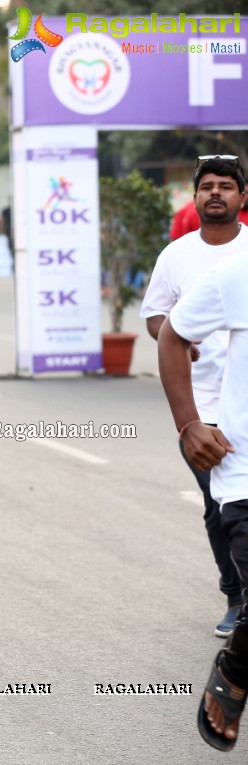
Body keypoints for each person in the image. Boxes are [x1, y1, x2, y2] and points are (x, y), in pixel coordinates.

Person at [144, 156, 248, 638]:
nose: (216, 193)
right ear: (195, 197)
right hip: (203, 405)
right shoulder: (176, 256)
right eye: (207, 186)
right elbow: (155, 318)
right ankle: (235, 596)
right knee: (220, 508)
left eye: (226, 186)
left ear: (242, 198)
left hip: (243, 402)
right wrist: (180, 334)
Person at [158, 245, 248, 753]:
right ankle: (236, 667)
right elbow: (172, 334)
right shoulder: (237, 273)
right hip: (245, 473)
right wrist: (189, 424)